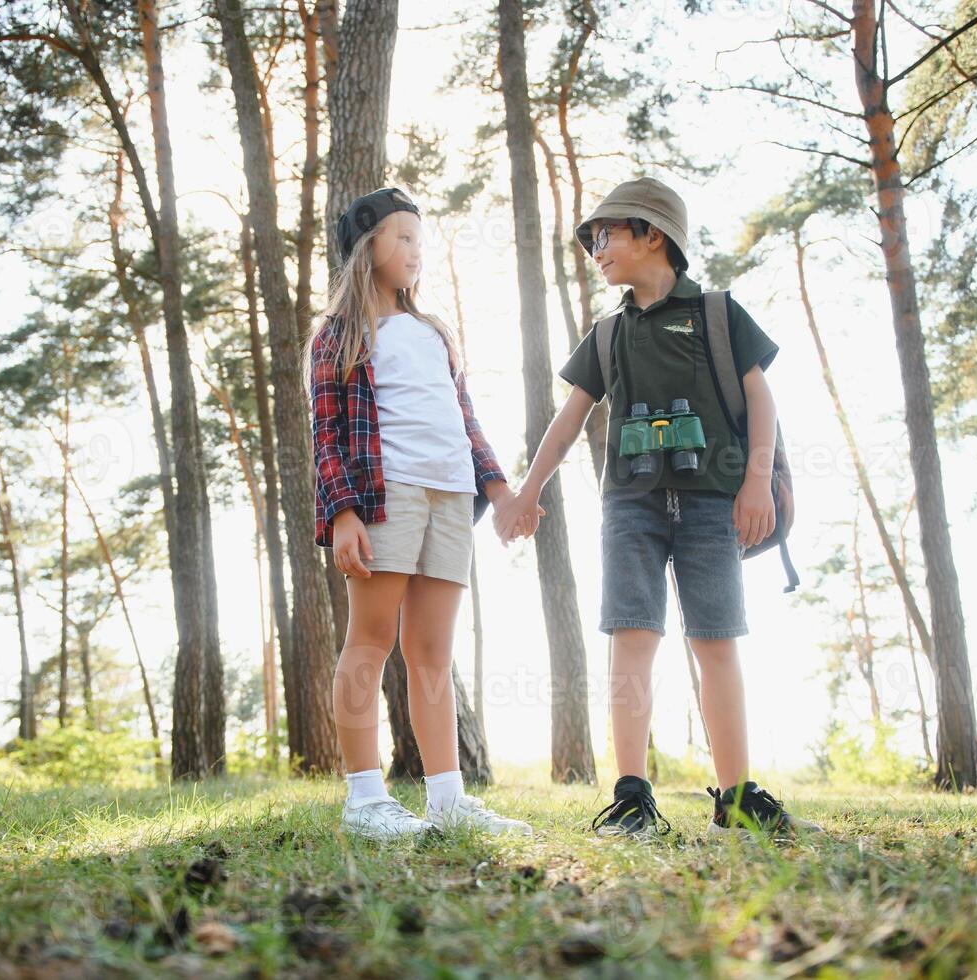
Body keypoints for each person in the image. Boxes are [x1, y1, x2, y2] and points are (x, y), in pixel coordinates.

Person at [492, 177, 822, 840]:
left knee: (715, 643)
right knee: (632, 641)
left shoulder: (719, 313)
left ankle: (734, 799)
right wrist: (528, 490)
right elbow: (567, 421)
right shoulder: (609, 333)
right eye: (590, 239)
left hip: (711, 504)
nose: (595, 248)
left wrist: (756, 483)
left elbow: (762, 401)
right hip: (630, 508)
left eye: (607, 233)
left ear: (652, 234)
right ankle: (632, 797)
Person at [307, 187, 536, 843]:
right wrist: (342, 513)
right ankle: (364, 799)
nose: (415, 251)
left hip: (448, 497)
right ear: (367, 247)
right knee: (370, 640)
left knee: (432, 652)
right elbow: (325, 436)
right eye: (402, 237)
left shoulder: (434, 333)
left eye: (419, 241)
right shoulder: (340, 335)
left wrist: (498, 491)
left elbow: (464, 422)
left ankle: (446, 800)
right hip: (386, 494)